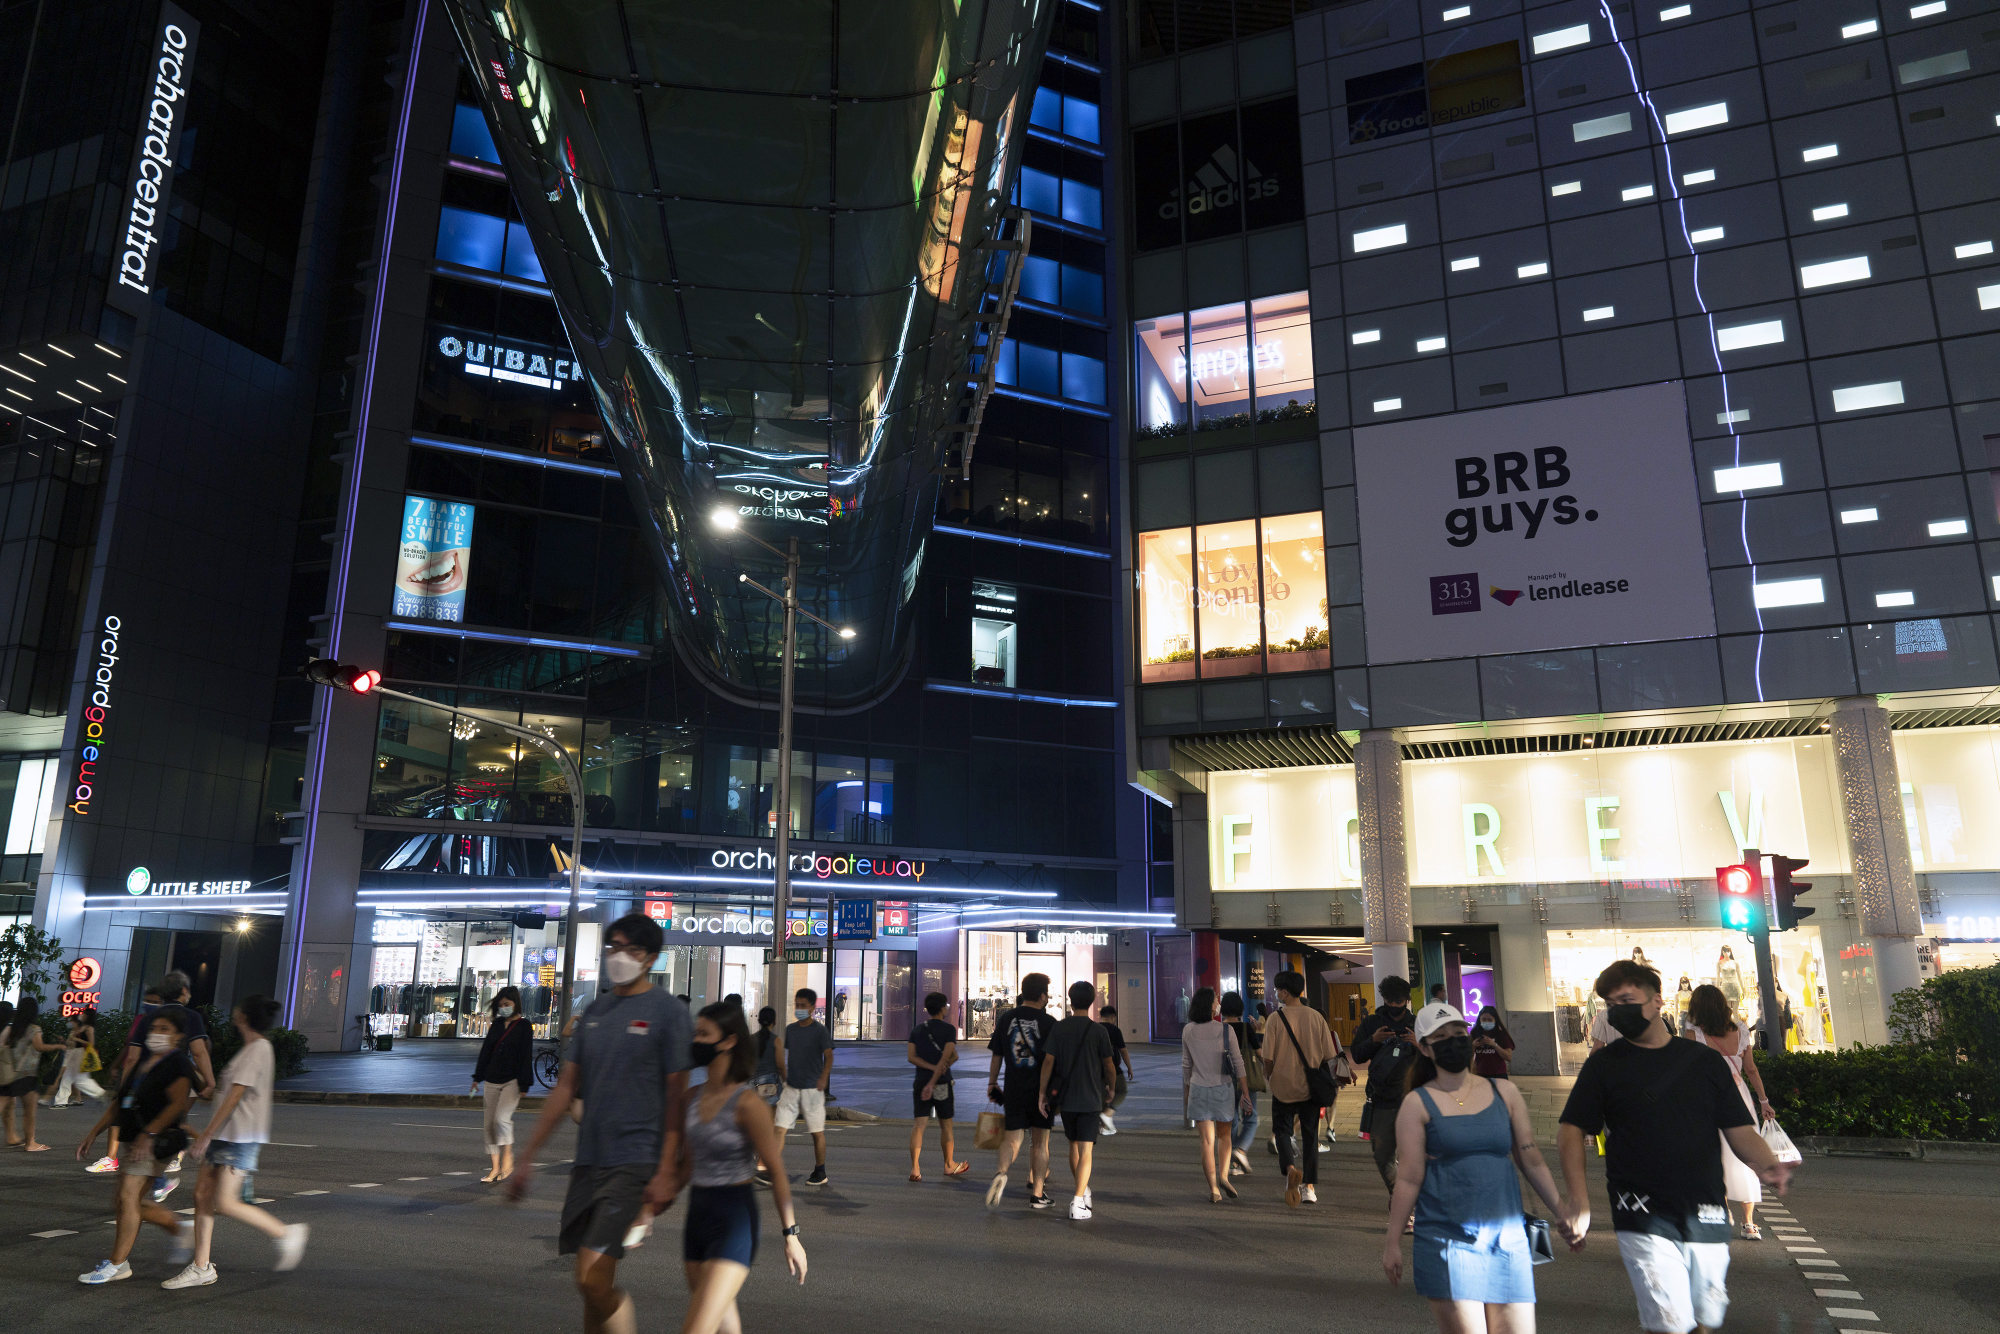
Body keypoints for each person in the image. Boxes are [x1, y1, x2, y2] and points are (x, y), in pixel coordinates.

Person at [1559, 960, 1795, 1334]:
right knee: (1669, 1319)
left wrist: (1767, 1165)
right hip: (1639, 1210)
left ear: (1657, 1002)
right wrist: (1577, 1198)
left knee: (1705, 1316)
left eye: (1626, 999)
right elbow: (1571, 1129)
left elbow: (1739, 1129)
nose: (1616, 1010)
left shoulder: (1703, 1062)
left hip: (1705, 1209)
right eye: (1610, 1003)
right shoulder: (1603, 1066)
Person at [508, 913, 693, 1334]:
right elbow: (565, 1089)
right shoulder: (596, 1011)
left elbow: (676, 1099)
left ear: (651, 959)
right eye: (614, 947)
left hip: (634, 1162)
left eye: (632, 950)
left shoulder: (667, 1012)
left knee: (590, 1276)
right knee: (592, 1284)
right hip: (589, 1161)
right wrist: (527, 1158)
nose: (620, 956)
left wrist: (667, 1169)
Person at [1382, 1002, 1575, 1333]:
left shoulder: (1505, 1092)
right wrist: (1392, 1241)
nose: (1453, 1040)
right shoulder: (1417, 1103)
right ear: (1425, 1048)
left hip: (1507, 1239)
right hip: (1447, 1241)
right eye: (1441, 1036)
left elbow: (1530, 1158)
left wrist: (1561, 1210)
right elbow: (1409, 1179)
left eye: (1459, 1033)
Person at [675, 1003, 807, 1334]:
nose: (696, 1040)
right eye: (696, 1033)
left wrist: (791, 1235)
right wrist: (647, 1209)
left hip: (734, 1221)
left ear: (729, 1041)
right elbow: (685, 1167)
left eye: (704, 1034)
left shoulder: (747, 1104)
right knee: (723, 1325)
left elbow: (776, 1171)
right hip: (697, 1218)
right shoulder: (690, 1097)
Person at [164, 995, 309, 1289]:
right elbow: (228, 1095)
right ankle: (201, 1266)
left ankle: (285, 1233)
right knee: (202, 1196)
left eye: (237, 1010)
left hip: (239, 1137)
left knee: (225, 1202)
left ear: (244, 1016)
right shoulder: (249, 1050)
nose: (233, 1014)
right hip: (226, 1134)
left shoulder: (258, 1049)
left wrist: (204, 1136)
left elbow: (235, 1097)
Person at [75, 1007, 196, 1284]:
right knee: (124, 1201)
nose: (157, 1033)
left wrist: (149, 1133)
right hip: (134, 1140)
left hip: (154, 1143)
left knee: (128, 1197)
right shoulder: (143, 1062)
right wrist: (94, 1133)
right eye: (155, 1028)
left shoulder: (178, 1064)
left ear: (178, 1036)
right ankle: (178, 1228)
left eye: (165, 1029)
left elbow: (177, 1104)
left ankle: (117, 1264)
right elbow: (120, 1102)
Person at [1683, 984, 1775, 1241]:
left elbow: (1688, 1073)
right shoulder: (1742, 1031)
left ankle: (1722, 1214)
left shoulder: (1694, 1034)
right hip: (1739, 1099)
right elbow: (1752, 1070)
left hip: (1706, 1100)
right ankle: (1749, 1224)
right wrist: (1764, 1101)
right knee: (1745, 1158)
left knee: (1714, 1159)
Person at [1040, 979, 1116, 1221]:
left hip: (1066, 1099)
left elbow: (1048, 1062)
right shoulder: (1099, 1031)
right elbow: (1109, 1065)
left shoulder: (1059, 1028)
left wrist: (1042, 1093)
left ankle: (1083, 1191)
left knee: (1073, 1146)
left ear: (1071, 1000)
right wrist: (1111, 1089)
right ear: (1092, 1001)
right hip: (1091, 1097)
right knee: (1086, 1151)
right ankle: (1078, 1201)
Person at [1262, 970, 1339, 1207]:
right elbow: (1329, 1054)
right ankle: (1310, 1189)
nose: (1276, 993)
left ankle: (1291, 1169)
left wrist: (1269, 1075)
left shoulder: (1275, 1019)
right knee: (1310, 1136)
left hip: (1283, 1085)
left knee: (1283, 1131)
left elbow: (1267, 1057)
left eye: (1277, 989)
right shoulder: (1316, 1017)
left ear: (1285, 992)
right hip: (1310, 1087)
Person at [984, 975, 1055, 1210]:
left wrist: (992, 1083)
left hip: (1013, 1088)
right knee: (1039, 1143)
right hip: (1040, 1093)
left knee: (1012, 1137)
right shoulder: (1049, 1023)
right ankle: (1037, 1193)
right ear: (1043, 996)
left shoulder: (1006, 1019)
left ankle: (1001, 1173)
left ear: (1023, 993)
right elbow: (1052, 1061)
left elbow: (997, 1054)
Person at [1353, 975, 1420, 1205]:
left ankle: (1404, 1202)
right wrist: (1374, 1040)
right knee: (1382, 1154)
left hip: (1413, 1098)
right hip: (1381, 1098)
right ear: (1383, 998)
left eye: (1398, 1001)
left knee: (1412, 1155)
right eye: (1390, 1001)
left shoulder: (1417, 1023)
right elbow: (1358, 1054)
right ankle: (1398, 1192)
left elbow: (1438, 1058)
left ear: (1407, 1000)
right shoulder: (1373, 1023)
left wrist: (1417, 1044)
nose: (1394, 1006)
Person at [1180, 986, 1249, 1203]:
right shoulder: (1225, 1030)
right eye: (1216, 1000)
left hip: (1199, 1089)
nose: (1218, 1003)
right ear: (1211, 1006)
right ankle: (1223, 1176)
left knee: (1206, 1142)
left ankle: (1213, 1189)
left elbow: (1186, 1066)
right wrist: (1245, 1092)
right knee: (1225, 1137)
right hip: (1223, 1089)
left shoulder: (1188, 1030)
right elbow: (1238, 1063)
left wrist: (1187, 1092)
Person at [473, 986, 535, 1183]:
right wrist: (477, 1077)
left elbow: (526, 1056)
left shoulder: (524, 1026)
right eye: (501, 1005)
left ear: (516, 1003)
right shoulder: (497, 1024)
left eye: (507, 1004)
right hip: (491, 1078)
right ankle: (494, 1168)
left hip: (512, 1081)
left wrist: (525, 1084)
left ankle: (508, 1155)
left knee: (501, 1119)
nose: (504, 1008)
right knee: (489, 1125)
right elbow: (486, 1051)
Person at [906, 991, 969, 1181]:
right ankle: (949, 1165)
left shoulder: (917, 1030)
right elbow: (950, 1055)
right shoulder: (949, 1030)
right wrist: (938, 1069)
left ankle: (915, 1169)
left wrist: (930, 1069)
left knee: (919, 1126)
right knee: (946, 1126)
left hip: (921, 1082)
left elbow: (911, 1057)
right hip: (941, 1084)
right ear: (943, 1008)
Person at [772, 988, 832, 1187]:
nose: (798, 1009)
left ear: (813, 1008)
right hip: (792, 1087)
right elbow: (783, 1053)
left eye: (803, 1006)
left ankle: (820, 1170)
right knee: (780, 1128)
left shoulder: (819, 1030)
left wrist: (823, 1078)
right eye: (797, 1005)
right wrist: (784, 1075)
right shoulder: (790, 1029)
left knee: (816, 1132)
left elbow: (829, 1055)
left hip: (812, 1089)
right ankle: (772, 1168)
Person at [1, 995, 62, 1151]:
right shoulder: (34, 1029)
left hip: (10, 1074)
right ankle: (30, 1143)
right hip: (27, 1076)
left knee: (3, 1105)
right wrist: (57, 1047)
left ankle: (25, 1141)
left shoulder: (11, 1028)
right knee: (30, 1112)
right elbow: (39, 1046)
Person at [1220, 991, 1262, 1179]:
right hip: (1247, 1080)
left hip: (1225, 1079)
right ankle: (1241, 1150)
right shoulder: (1246, 1028)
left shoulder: (1218, 1029)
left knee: (1232, 1120)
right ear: (1240, 1009)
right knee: (1251, 1119)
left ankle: (1232, 1162)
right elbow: (1260, 1053)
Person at [52, 1008, 107, 1108]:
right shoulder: (83, 1026)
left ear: (88, 1015)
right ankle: (61, 1101)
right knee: (67, 1076)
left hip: (81, 1053)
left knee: (79, 1079)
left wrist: (76, 1039)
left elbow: (91, 1044)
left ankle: (99, 1092)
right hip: (75, 1052)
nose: (82, 1015)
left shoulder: (89, 1028)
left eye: (84, 1013)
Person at [1099, 1004, 1132, 1136]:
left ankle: (1104, 1127)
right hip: (1113, 1068)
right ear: (1113, 1017)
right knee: (1121, 1090)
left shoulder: (1095, 1028)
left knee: (1103, 1096)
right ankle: (1107, 1114)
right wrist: (1129, 1067)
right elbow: (1123, 1051)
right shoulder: (1114, 1030)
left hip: (1097, 1069)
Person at [1471, 1006, 1516, 1080]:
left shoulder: (1502, 1034)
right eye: (1484, 1019)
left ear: (1495, 1020)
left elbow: (1508, 1057)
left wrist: (1494, 1045)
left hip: (1499, 1075)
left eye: (1490, 1020)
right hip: (1480, 1075)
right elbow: (1467, 1056)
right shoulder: (1474, 1033)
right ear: (1479, 1020)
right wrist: (1473, 1046)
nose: (1486, 1022)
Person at [751, 1007, 782, 1105]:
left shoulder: (751, 1039)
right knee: (770, 1116)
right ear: (774, 1021)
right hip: (770, 1083)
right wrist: (785, 1080)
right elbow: (780, 1065)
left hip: (752, 1082)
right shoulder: (776, 1040)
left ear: (759, 1020)